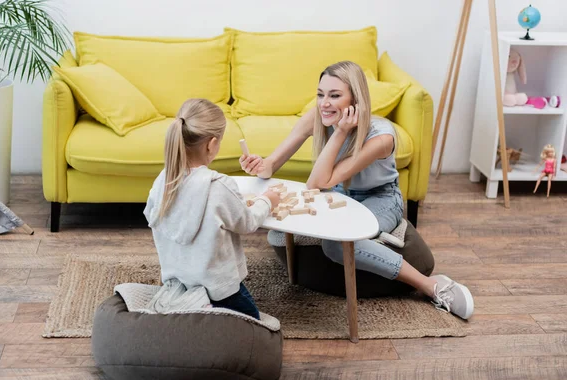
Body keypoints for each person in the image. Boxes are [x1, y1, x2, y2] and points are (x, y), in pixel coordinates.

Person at [240, 61, 474, 319]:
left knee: (335, 247)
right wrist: (259, 165)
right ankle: (369, 241)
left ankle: (428, 285)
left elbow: (317, 183)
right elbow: (271, 165)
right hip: (338, 196)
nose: (324, 103)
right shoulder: (316, 117)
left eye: (335, 95)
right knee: (277, 234)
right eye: (321, 94)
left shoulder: (381, 137)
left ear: (355, 99)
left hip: (380, 198)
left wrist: (340, 131)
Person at [143, 98, 281, 320]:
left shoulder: (163, 181)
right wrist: (267, 200)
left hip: (179, 283)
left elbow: (153, 216)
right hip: (219, 291)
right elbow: (247, 223)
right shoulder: (218, 186)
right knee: (259, 325)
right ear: (211, 144)